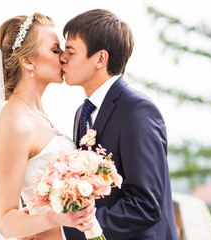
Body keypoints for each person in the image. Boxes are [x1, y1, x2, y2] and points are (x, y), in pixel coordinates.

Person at [60, 9, 179, 239]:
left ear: (100, 58)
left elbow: (146, 205)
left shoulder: (137, 110)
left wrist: (70, 229)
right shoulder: (81, 114)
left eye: (70, 51)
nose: (62, 58)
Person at [0, 13, 96, 240]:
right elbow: (5, 221)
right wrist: (55, 218)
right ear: (28, 61)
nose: (63, 57)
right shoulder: (16, 121)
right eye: (55, 49)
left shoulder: (39, 114)